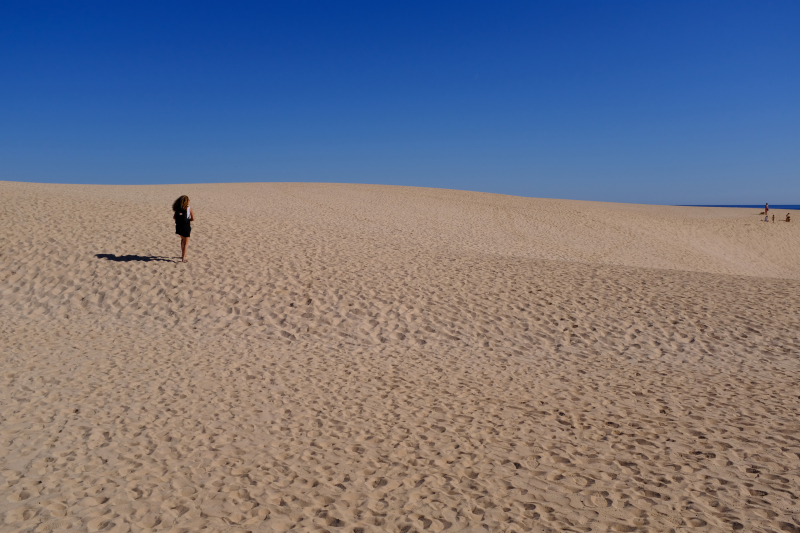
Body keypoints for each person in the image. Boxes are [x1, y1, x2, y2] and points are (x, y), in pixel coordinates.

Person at [172, 195, 195, 263]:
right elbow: (193, 218)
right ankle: (183, 258)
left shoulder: (178, 208)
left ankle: (183, 255)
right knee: (186, 243)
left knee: (182, 240)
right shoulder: (189, 208)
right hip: (186, 226)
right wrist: (188, 220)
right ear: (187, 201)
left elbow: (174, 217)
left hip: (179, 227)